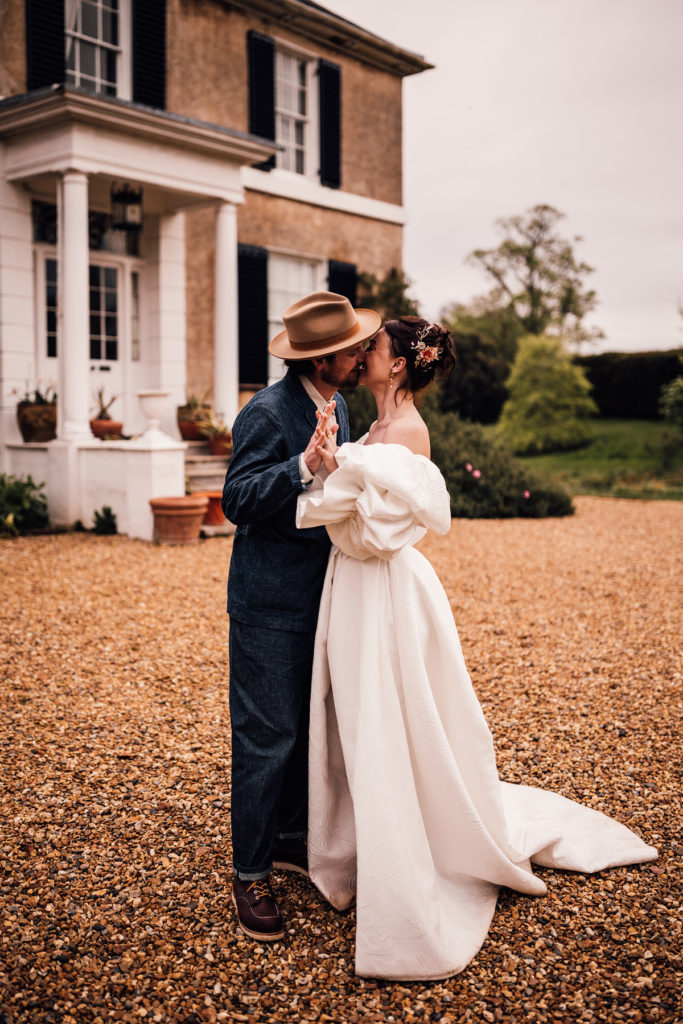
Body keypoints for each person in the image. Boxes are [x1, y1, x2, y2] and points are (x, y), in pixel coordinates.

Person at [296, 316, 658, 980]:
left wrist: (334, 477)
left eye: (371, 347)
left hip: (383, 591)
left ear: (399, 364)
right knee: (358, 714)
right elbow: (349, 512)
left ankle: (403, 861)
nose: (360, 354)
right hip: (352, 589)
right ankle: (362, 845)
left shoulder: (406, 432)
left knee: (389, 717)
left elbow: (380, 533)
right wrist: (327, 469)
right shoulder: (369, 428)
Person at [222, 291, 381, 943]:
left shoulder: (338, 402)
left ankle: (289, 837)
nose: (362, 354)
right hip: (267, 603)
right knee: (265, 735)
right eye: (352, 349)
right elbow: (236, 499)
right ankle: (250, 873)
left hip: (322, 592)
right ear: (321, 360)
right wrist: (301, 466)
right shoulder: (264, 412)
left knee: (307, 725)